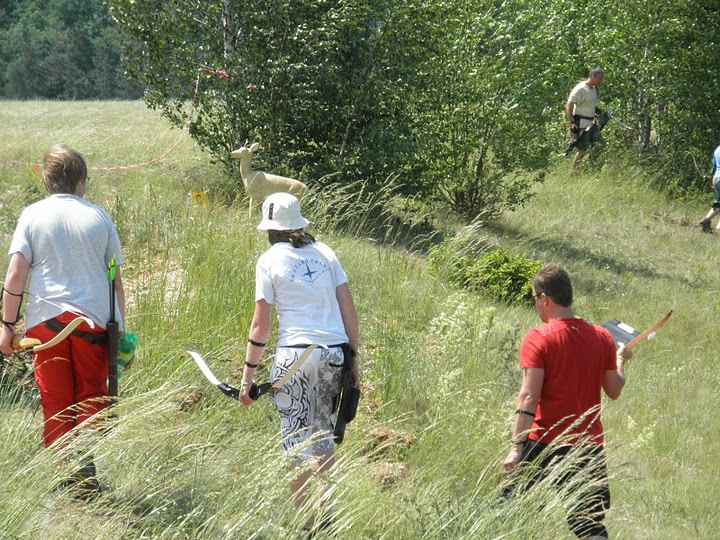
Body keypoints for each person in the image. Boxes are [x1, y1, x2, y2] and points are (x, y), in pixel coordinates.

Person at [0, 144, 124, 496]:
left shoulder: (32, 215)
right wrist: (122, 335)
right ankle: (85, 472)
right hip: (92, 324)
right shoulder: (100, 217)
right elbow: (115, 279)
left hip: (46, 327)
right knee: (90, 396)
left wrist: (7, 328)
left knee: (56, 400)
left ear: (47, 180)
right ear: (82, 181)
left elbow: (15, 275)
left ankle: (66, 477)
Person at [239, 192, 359, 534]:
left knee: (294, 438)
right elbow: (348, 310)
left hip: (295, 354)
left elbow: (261, 324)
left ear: (269, 228)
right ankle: (328, 517)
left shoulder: (268, 260)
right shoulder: (326, 253)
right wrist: (354, 364)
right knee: (322, 431)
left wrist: (248, 378)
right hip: (335, 353)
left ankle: (307, 527)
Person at [502, 264, 631, 540]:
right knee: (588, 527)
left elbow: (528, 395)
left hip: (543, 441)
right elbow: (614, 389)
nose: (535, 305)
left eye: (534, 298)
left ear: (545, 298)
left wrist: (516, 448)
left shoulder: (538, 338)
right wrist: (619, 359)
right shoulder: (602, 337)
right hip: (587, 446)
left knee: (504, 511)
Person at [566, 68, 605, 168]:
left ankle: (591, 166)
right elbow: (569, 104)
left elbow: (589, 105)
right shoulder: (580, 88)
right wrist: (571, 122)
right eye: (600, 79)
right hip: (582, 124)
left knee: (600, 144)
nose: (601, 81)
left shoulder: (593, 89)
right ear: (593, 76)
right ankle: (574, 171)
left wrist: (599, 112)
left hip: (591, 123)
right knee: (582, 150)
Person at [698, 144, 720, 233]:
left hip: (716, 177)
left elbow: (714, 167)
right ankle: (707, 221)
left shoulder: (717, 149)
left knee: (718, 203)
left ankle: (710, 223)